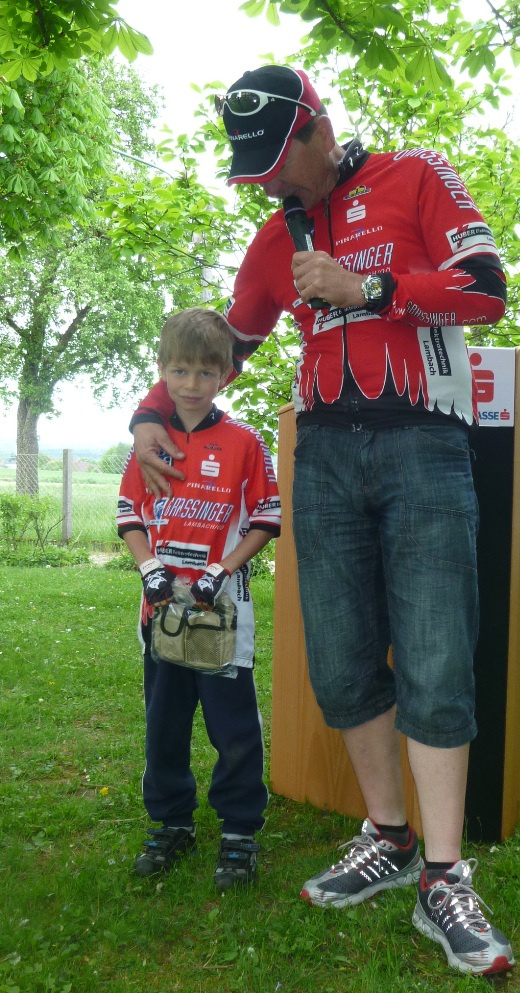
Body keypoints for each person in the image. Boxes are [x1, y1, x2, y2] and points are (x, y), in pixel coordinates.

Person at [129, 65, 513, 976]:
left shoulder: (416, 174)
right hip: (325, 453)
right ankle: (388, 836)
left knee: (435, 654)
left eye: (275, 160)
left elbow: (487, 288)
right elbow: (222, 345)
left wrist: (368, 288)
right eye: (253, 167)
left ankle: (445, 874)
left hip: (424, 441)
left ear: (317, 127)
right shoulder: (272, 237)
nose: (265, 181)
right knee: (339, 659)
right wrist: (150, 410)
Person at [117, 307, 281, 891]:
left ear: (225, 374)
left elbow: (266, 517)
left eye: (205, 372)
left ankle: (239, 831)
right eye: (180, 371)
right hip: (161, 612)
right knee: (163, 723)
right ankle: (172, 823)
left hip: (222, 614)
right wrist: (150, 568)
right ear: (162, 370)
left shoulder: (245, 442)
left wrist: (220, 569)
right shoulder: (149, 442)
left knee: (232, 728)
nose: (191, 384)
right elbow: (129, 514)